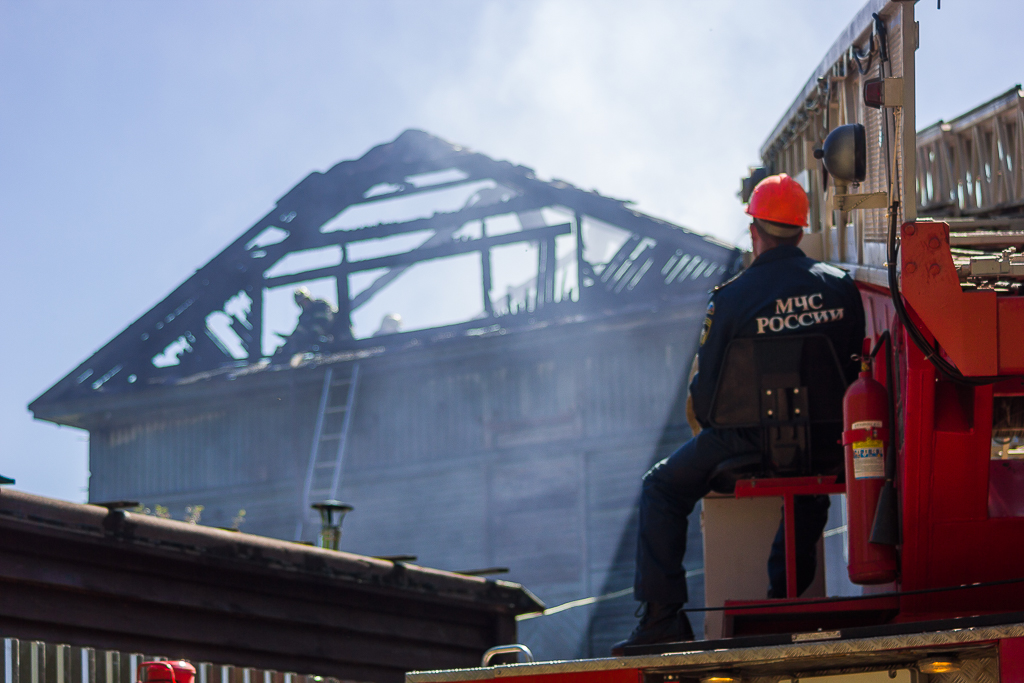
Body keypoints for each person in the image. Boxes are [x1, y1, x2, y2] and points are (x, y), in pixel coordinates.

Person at [612, 173, 865, 653]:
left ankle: (662, 619)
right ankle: (783, 597)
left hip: (744, 442)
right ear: (801, 229)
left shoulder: (729, 298)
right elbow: (854, 370)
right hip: (830, 442)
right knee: (810, 484)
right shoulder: (841, 289)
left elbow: (707, 401)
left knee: (661, 487)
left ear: (755, 232)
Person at [275, 287, 336, 357]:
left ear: (309, 298)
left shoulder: (321, 305)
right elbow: (299, 330)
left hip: (333, 337)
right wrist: (292, 338)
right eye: (301, 303)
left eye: (304, 301)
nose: (304, 304)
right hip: (317, 340)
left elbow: (323, 324)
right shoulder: (304, 316)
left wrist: (308, 336)